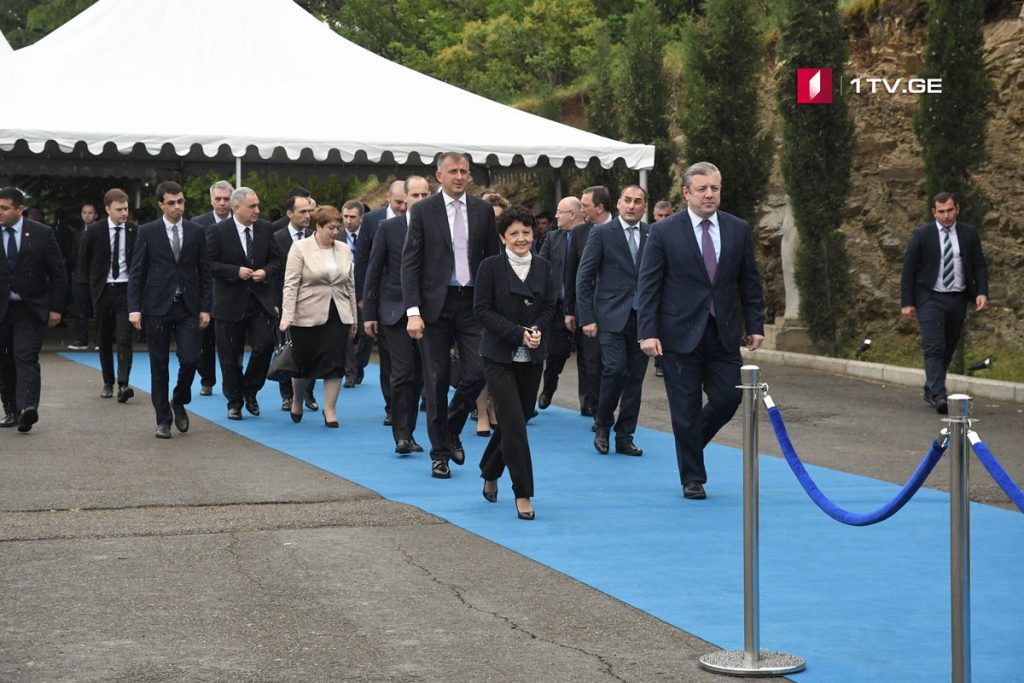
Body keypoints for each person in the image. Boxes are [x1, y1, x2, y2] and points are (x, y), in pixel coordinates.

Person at [637, 161, 765, 500]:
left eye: (715, 189)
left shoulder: (737, 229)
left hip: (722, 331)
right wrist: (646, 332)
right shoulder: (663, 232)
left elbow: (749, 281)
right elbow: (649, 284)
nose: (710, 195)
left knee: (729, 397)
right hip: (677, 333)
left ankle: (691, 442)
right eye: (702, 189)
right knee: (685, 407)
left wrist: (755, 324)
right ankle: (692, 477)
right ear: (686, 193)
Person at [401, 151, 499, 479]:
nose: (459, 176)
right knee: (436, 379)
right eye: (453, 171)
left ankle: (452, 427)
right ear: (438, 175)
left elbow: (492, 262)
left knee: (479, 369)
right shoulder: (424, 211)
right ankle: (439, 453)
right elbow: (411, 263)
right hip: (434, 308)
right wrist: (413, 312)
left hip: (473, 303)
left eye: (464, 171)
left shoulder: (483, 211)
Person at [473, 205, 557, 520]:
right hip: (497, 354)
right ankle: (523, 492)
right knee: (513, 423)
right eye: (514, 233)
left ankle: (489, 468)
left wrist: (536, 331)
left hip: (533, 355)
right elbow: (481, 310)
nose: (521, 239)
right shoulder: (490, 267)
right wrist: (517, 334)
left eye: (526, 232)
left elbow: (550, 305)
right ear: (502, 237)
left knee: (516, 420)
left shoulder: (545, 266)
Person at [127, 181, 212, 439]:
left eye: (181, 202)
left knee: (191, 358)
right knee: (159, 365)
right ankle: (162, 420)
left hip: (188, 306)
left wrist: (206, 308)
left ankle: (179, 399)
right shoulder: (147, 232)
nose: (178, 207)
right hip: (156, 306)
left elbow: (205, 273)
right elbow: (136, 272)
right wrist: (134, 309)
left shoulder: (196, 231)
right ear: (161, 204)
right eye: (172, 203)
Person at [576, 185, 651, 457]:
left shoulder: (652, 234)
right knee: (615, 370)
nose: (632, 206)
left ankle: (625, 435)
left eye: (638, 202)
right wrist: (587, 317)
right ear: (618, 204)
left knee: (635, 378)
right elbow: (584, 278)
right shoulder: (602, 233)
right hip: (609, 317)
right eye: (627, 201)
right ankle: (603, 424)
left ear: (645, 207)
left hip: (644, 319)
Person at [900, 192, 989, 415]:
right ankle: (939, 395)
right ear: (934, 212)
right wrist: (907, 302)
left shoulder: (968, 233)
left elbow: (979, 264)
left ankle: (931, 387)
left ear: (957, 208)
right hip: (930, 297)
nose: (946, 216)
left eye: (949, 210)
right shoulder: (922, 235)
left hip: (958, 297)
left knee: (948, 346)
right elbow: (908, 270)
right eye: (941, 212)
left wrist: (981, 292)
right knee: (934, 346)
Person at [363, 176, 430, 454]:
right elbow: (373, 270)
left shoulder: (440, 229)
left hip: (429, 313)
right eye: (414, 195)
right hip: (394, 311)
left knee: (420, 376)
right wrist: (369, 312)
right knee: (402, 373)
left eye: (424, 195)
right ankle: (401, 435)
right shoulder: (388, 228)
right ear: (404, 199)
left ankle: (410, 432)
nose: (419, 200)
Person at [279, 205, 358, 427]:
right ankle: (297, 399)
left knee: (335, 364)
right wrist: (287, 315)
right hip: (307, 314)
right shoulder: (300, 248)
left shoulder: (344, 249)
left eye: (337, 228)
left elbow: (350, 285)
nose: (335, 232)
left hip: (337, 315)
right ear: (318, 226)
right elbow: (291, 283)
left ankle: (330, 410)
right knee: (303, 363)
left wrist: (353, 317)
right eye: (331, 228)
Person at [207, 187, 281, 420]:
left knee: (265, 346)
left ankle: (250, 389)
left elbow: (277, 260)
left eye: (258, 205)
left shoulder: (266, 228)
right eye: (252, 206)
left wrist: (265, 272)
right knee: (230, 355)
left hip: (260, 300)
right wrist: (235, 271)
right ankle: (234, 401)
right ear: (236, 207)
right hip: (230, 302)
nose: (257, 210)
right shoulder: (217, 231)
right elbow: (209, 263)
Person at [0, 187, 66, 432]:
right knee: (4, 361)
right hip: (2, 308)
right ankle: (10, 410)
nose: (0, 212)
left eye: (4, 208)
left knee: (25, 357)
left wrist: (56, 308)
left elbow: (58, 273)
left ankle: (27, 408)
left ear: (20, 209)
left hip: (30, 308)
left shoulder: (41, 234)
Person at [76, 188, 137, 401]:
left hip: (125, 289)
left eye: (126, 209)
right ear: (108, 209)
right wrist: (88, 292)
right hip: (102, 291)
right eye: (119, 209)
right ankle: (108, 382)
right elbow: (83, 262)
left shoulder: (133, 230)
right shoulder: (94, 231)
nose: (124, 213)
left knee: (124, 338)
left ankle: (123, 384)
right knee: (103, 337)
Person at [360, 179, 408, 421]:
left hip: (416, 303)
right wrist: (365, 302)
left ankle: (411, 402)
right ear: (389, 197)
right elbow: (368, 265)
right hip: (387, 303)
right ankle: (392, 406)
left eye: (405, 202)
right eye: (398, 202)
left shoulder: (422, 221)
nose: (402, 207)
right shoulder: (373, 221)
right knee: (390, 360)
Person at [564, 185, 611, 420]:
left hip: (618, 309)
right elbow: (572, 273)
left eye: (585, 206)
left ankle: (607, 406)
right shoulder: (580, 233)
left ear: (600, 207)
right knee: (591, 361)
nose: (582, 210)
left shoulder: (622, 229)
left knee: (614, 365)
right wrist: (569, 311)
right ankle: (596, 409)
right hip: (588, 308)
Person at [536, 196, 584, 409]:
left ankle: (588, 401)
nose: (555, 215)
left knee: (588, 359)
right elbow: (541, 265)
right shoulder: (551, 238)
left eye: (559, 212)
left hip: (583, 305)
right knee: (557, 352)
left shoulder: (590, 236)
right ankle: (548, 388)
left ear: (572, 214)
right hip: (557, 305)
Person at [272, 195, 318, 412]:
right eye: (302, 212)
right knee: (285, 348)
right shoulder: (276, 237)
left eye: (309, 211)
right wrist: (274, 302)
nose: (308, 216)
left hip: (312, 303)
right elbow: (274, 272)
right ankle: (286, 394)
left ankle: (308, 392)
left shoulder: (315, 237)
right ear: (290, 214)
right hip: (284, 302)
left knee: (312, 348)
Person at [191, 180, 234, 396]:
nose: (223, 203)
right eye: (218, 199)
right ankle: (207, 379)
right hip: (205, 290)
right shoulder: (198, 224)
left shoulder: (240, 223)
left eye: (226, 199)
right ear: (211, 200)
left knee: (229, 342)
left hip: (231, 290)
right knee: (204, 339)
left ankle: (232, 382)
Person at [341, 200, 373, 388]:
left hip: (364, 291)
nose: (348, 221)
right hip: (342, 292)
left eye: (352, 217)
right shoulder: (336, 236)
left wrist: (365, 295)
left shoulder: (371, 236)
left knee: (366, 334)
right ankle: (350, 372)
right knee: (346, 334)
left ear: (361, 218)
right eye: (345, 216)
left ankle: (359, 365)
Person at [64, 202, 97, 350]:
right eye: (84, 212)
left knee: (99, 310)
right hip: (79, 275)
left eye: (90, 212)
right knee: (80, 308)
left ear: (95, 215)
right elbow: (71, 253)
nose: (87, 215)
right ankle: (82, 338)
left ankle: (99, 340)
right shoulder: (77, 233)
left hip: (96, 276)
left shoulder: (100, 231)